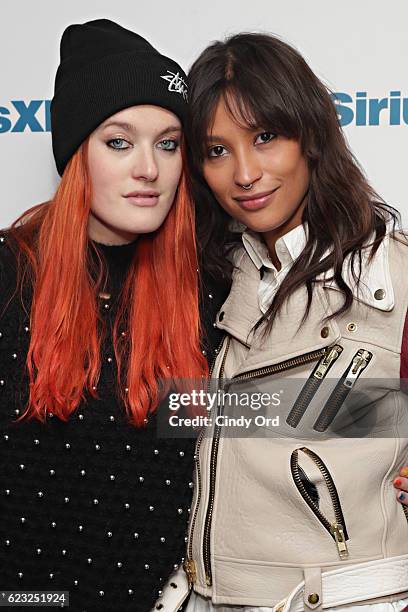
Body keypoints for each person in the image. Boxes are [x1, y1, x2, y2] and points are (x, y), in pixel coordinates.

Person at [0, 19, 225, 612]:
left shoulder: (213, 292)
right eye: (119, 142)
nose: (149, 169)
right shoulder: (7, 280)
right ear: (77, 152)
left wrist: (387, 418)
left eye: (169, 143)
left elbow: (257, 419)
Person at [180, 33, 408, 612]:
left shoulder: (395, 274)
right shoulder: (210, 280)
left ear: (310, 133)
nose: (246, 173)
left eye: (265, 137)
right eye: (216, 151)